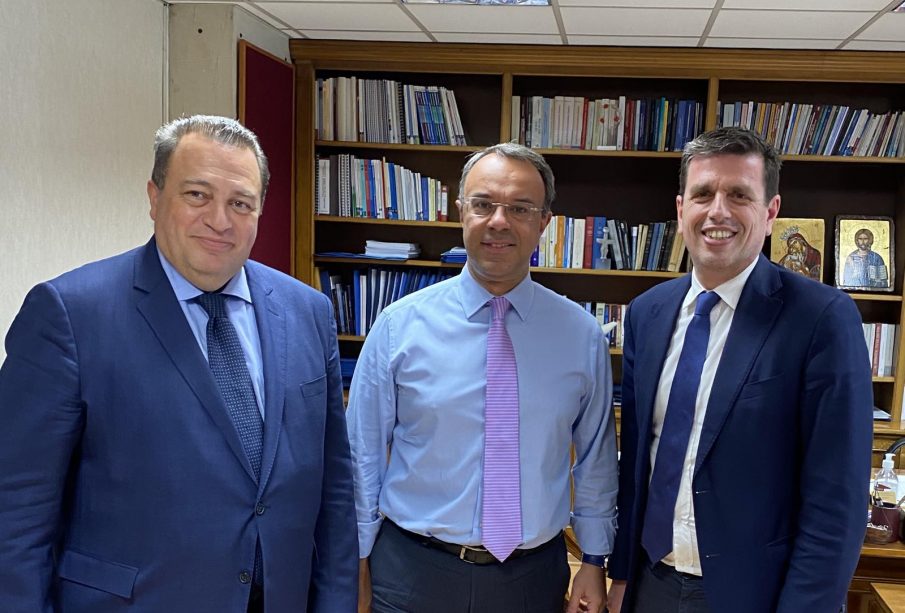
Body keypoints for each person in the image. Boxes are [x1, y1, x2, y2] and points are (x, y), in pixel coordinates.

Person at [0, 115, 358, 612]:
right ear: (154, 196)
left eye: (240, 203)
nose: (220, 221)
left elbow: (334, 491)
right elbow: (16, 512)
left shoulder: (308, 312)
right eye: (197, 195)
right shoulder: (70, 314)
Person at [607, 126, 872, 613]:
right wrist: (621, 572)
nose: (718, 211)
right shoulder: (647, 312)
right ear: (680, 209)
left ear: (770, 213)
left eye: (739, 195)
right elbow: (638, 462)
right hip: (651, 583)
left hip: (756, 594)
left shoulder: (821, 318)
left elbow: (837, 501)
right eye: (703, 194)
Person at [346, 143, 617, 613]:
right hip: (412, 572)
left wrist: (593, 560)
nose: (499, 221)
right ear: (461, 212)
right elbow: (361, 457)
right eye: (483, 204)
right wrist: (356, 561)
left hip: (531, 578)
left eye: (520, 208)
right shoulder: (398, 327)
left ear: (544, 223)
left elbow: (595, 460)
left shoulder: (581, 336)